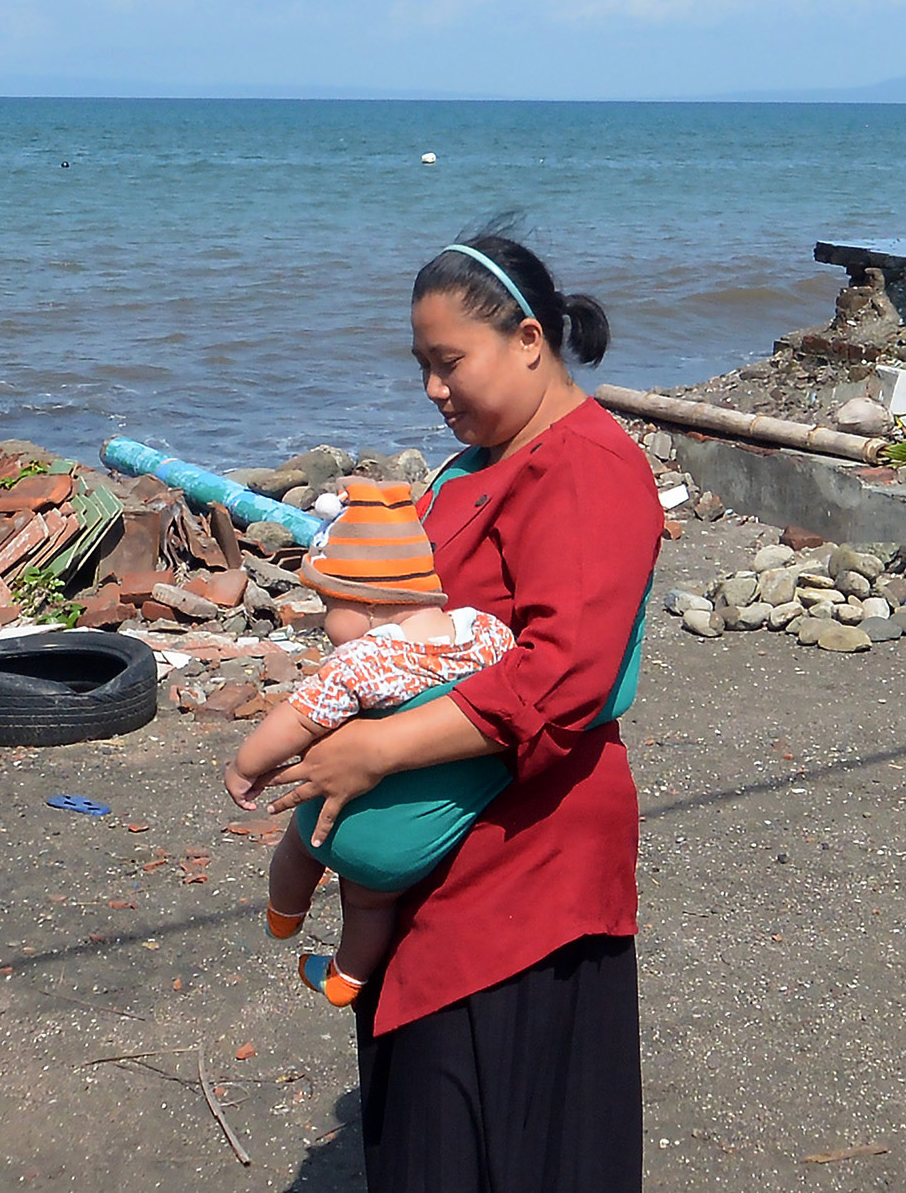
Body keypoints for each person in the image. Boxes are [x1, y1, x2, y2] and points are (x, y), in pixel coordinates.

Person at [267, 230, 659, 1193]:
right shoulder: (477, 463)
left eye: (451, 363)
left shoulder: (583, 468)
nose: (434, 391)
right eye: (422, 368)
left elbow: (565, 675)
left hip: (528, 855)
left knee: (512, 1133)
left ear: (530, 339)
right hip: (433, 841)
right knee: (431, 1125)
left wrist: (377, 750)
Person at [230, 478, 516, 1006]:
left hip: (349, 827)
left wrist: (245, 767)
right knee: (369, 906)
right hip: (409, 844)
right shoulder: (488, 634)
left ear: (363, 606)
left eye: (327, 605)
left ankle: (284, 913)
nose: (326, 624)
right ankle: (346, 979)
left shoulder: (364, 660)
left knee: (298, 846)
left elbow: (299, 720)